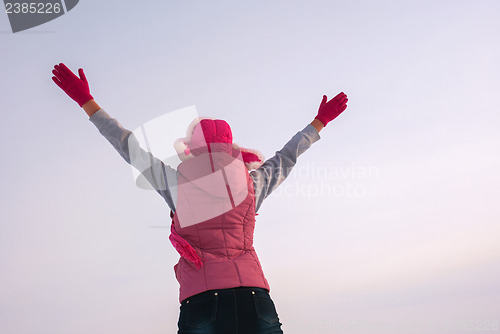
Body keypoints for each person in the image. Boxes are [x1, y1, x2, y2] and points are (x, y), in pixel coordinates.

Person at [51, 63, 348, 334]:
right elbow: (287, 156)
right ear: (231, 146)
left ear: (192, 148)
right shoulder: (252, 183)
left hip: (202, 301)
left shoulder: (176, 182)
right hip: (254, 296)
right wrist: (320, 121)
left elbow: (130, 148)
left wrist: (87, 103)